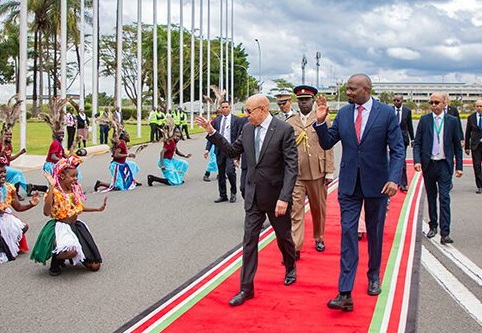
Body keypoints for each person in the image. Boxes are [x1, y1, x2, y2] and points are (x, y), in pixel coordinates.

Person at [195, 94, 298, 307]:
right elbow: (233, 150)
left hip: (276, 197)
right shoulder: (248, 129)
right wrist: (212, 133)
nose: (246, 115)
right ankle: (246, 288)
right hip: (253, 196)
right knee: (249, 241)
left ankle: (290, 265)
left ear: (262, 109)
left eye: (249, 111)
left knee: (284, 237)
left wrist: (284, 197)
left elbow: (291, 167)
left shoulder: (283, 130)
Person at [313, 73, 405, 311]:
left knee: (374, 232)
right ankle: (345, 291)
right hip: (349, 185)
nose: (348, 92)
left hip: (378, 184)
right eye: (348, 89)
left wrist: (394, 179)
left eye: (353, 89)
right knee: (348, 232)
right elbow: (326, 143)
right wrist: (321, 122)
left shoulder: (385, 113)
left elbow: (397, 150)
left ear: (367, 89)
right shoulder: (343, 113)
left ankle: (373, 275)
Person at [30, 156, 107, 276]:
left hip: (76, 227)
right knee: (71, 252)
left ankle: (73, 255)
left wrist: (97, 209)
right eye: (72, 176)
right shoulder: (55, 192)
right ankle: (56, 259)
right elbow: (46, 212)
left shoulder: (73, 190)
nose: (75, 179)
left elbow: (78, 208)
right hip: (61, 228)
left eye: (76, 176)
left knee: (95, 265)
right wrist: (51, 187)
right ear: (61, 176)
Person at [286, 85, 335, 259]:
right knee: (296, 211)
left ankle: (319, 237)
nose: (303, 103)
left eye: (306, 100)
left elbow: (328, 147)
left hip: (318, 172)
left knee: (318, 209)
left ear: (313, 101)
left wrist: (329, 170)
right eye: (300, 101)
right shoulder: (291, 122)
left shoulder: (321, 118)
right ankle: (296, 247)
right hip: (297, 174)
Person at [414, 92, 463, 245]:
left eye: (436, 102)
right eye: (431, 102)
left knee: (444, 198)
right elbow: (418, 143)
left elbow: (457, 146)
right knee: (431, 197)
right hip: (429, 164)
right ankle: (433, 225)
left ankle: (445, 232)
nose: (433, 105)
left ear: (444, 103)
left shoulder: (452, 121)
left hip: (444, 164)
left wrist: (459, 166)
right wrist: (417, 160)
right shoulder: (424, 120)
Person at [0, 157, 40, 263]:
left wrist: (31, 204)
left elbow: (18, 207)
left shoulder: (9, 188)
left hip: (4, 217)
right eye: (0, 172)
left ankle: (8, 244)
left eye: (4, 172)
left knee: (23, 226)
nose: (3, 175)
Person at [204, 101, 242, 203]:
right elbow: (212, 135)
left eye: (226, 107)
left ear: (230, 107)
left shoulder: (237, 120)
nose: (224, 109)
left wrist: (237, 156)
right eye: (222, 107)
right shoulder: (216, 121)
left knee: (230, 172)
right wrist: (207, 149)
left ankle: (233, 192)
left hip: (231, 150)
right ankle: (222, 195)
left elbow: (239, 137)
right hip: (220, 150)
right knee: (221, 174)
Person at [393, 94, 415, 192]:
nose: (396, 102)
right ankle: (393, 181)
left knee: (402, 161)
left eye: (398, 100)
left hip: (403, 139)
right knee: (390, 161)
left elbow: (410, 126)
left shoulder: (407, 111)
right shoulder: (389, 111)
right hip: (391, 139)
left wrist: (413, 139)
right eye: (394, 100)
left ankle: (403, 183)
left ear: (402, 101)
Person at [464, 100, 482, 194]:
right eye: (477, 106)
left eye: (481, 106)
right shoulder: (471, 118)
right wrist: (467, 147)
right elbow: (468, 133)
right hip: (476, 145)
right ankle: (479, 186)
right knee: (477, 165)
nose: (479, 108)